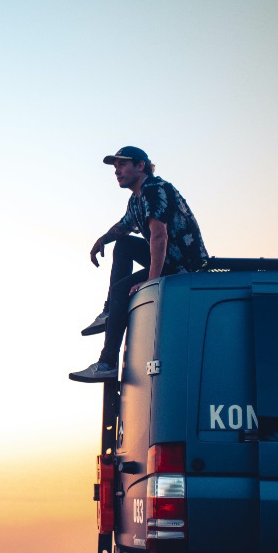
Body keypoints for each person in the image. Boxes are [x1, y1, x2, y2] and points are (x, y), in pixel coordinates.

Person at [69, 146, 208, 382]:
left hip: (184, 265)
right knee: (123, 244)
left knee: (121, 290)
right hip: (168, 261)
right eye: (115, 167)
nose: (117, 171)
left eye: (122, 164)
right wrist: (102, 240)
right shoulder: (136, 199)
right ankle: (109, 310)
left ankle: (107, 363)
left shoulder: (154, 189)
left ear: (140, 166)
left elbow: (159, 236)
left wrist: (151, 282)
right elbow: (123, 226)